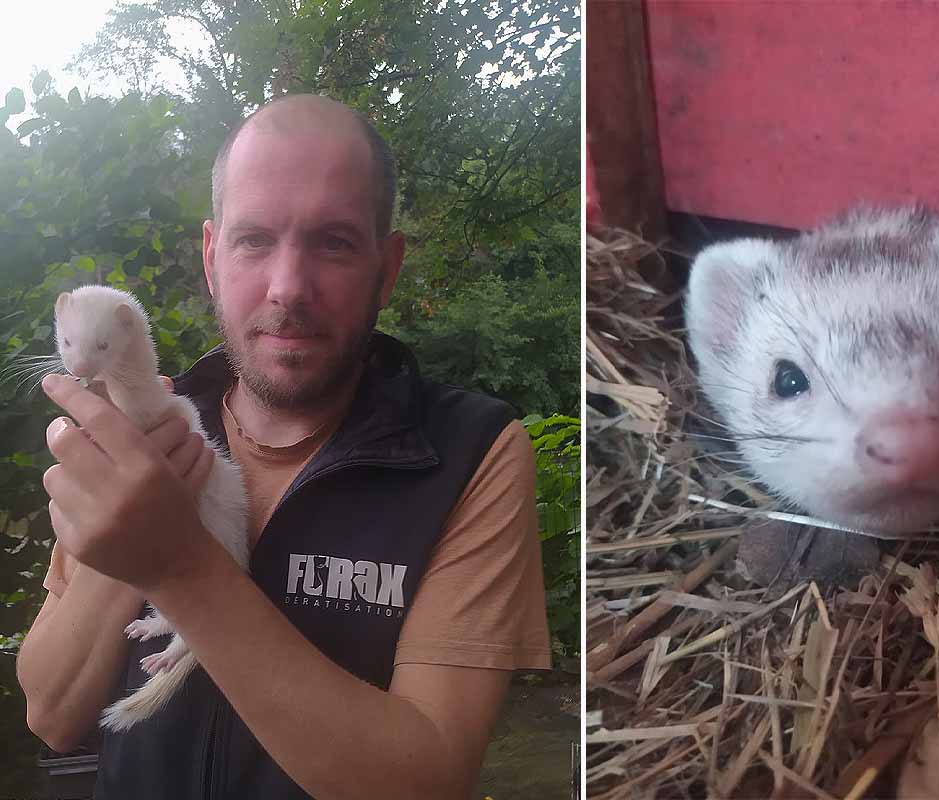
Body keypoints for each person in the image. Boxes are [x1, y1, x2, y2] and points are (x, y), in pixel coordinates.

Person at [16, 94, 552, 799]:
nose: (288, 287)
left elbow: (430, 779)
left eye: (333, 242)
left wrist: (178, 563)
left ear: (387, 268)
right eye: (254, 239)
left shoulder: (468, 454)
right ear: (212, 257)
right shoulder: (133, 433)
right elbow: (50, 714)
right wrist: (132, 525)